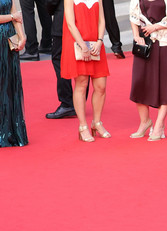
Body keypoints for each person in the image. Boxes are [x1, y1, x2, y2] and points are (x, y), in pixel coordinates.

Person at [128, 0, 167, 141]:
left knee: (166, 82)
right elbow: (133, 15)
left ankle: (159, 125)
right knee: (139, 82)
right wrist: (136, 36)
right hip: (144, 43)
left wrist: (156, 27)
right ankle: (145, 121)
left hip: (164, 42)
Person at [61, 0, 110, 142]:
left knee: (101, 86)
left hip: (96, 44)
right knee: (81, 84)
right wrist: (83, 46)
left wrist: (100, 40)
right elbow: (70, 23)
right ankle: (83, 127)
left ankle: (97, 122)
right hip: (78, 44)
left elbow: (102, 20)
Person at [0, 0, 28, 147]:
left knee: (9, 85)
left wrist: (21, 36)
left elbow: (16, 13)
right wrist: (12, 17)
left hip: (8, 41)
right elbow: (14, 15)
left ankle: (11, 132)